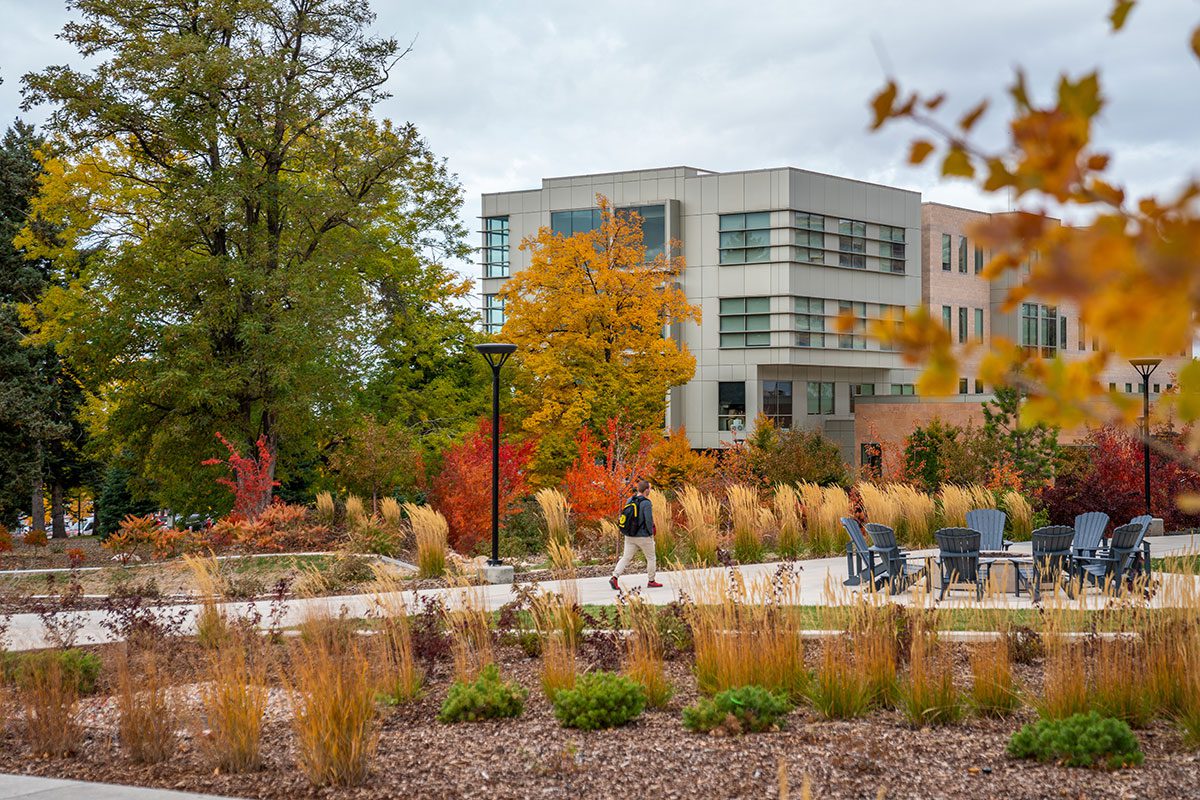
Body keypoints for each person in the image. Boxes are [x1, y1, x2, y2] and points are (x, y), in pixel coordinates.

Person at [610, 479, 662, 589]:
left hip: (630, 535)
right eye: (650, 488)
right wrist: (651, 533)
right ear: (646, 490)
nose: (650, 490)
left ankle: (614, 577)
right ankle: (651, 581)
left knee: (625, 557)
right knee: (651, 558)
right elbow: (648, 520)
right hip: (643, 536)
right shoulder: (646, 503)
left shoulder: (630, 500)